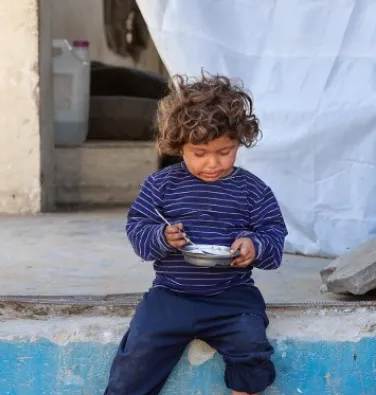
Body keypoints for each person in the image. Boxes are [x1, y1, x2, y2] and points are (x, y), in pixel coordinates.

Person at [104, 72, 287, 395]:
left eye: (225, 151)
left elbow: (274, 238)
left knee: (252, 345)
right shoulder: (161, 186)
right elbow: (138, 231)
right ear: (178, 145)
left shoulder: (253, 191)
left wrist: (254, 246)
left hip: (232, 297)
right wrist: (162, 236)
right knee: (137, 353)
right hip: (171, 295)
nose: (213, 163)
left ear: (239, 141)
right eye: (199, 154)